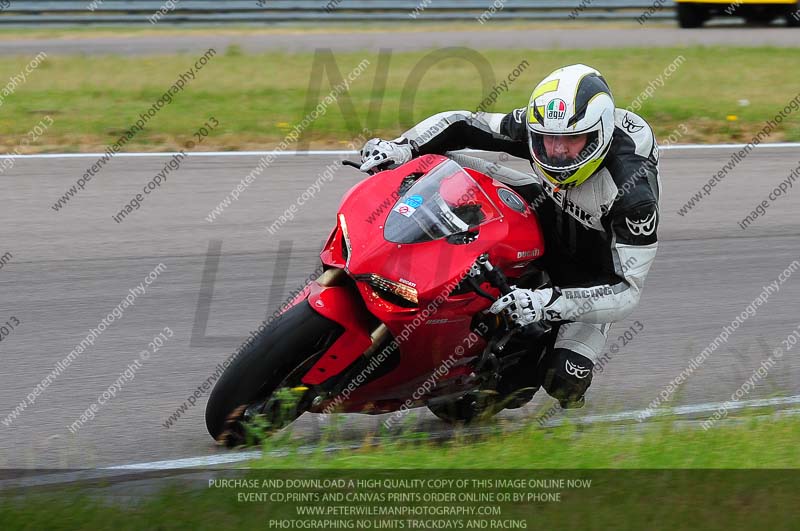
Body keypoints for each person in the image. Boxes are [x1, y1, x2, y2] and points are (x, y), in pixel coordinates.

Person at [359, 64, 661, 409]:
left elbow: (626, 290)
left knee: (564, 381)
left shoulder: (632, 194)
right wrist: (401, 147)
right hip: (543, 207)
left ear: (599, 136)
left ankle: (512, 353)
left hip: (593, 268)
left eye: (572, 142)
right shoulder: (542, 126)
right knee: (436, 160)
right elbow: (462, 123)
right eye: (549, 140)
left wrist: (547, 303)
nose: (558, 153)